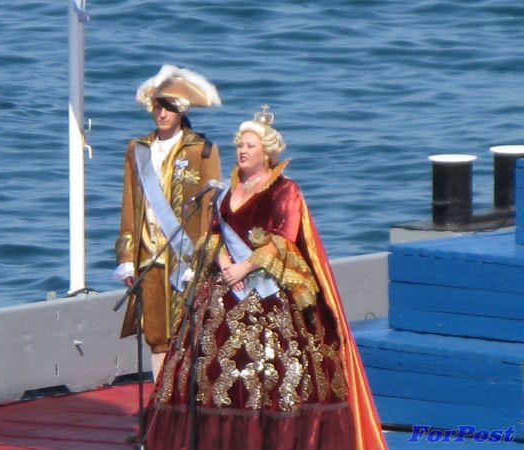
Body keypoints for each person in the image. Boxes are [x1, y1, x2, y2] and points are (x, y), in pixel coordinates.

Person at [143, 106, 388, 450]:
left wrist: (245, 267)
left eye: (250, 146)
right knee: (205, 367)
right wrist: (224, 262)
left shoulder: (284, 190)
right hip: (225, 287)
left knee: (278, 371)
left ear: (267, 152)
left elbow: (283, 241)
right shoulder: (227, 191)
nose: (242, 151)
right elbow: (214, 234)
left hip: (269, 292)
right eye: (239, 145)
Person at [113, 64, 222, 379]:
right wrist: (126, 258)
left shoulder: (202, 150)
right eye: (158, 106)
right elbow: (129, 205)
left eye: (170, 107)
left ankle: (184, 401)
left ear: (182, 110)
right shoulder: (137, 149)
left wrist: (204, 257)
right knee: (156, 336)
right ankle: (159, 400)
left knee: (189, 333)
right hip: (149, 255)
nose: (162, 113)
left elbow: (211, 210)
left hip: (186, 258)